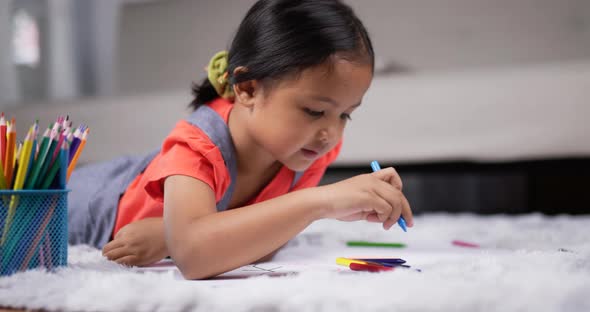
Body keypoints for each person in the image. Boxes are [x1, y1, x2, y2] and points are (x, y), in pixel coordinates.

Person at [68, 0, 413, 280]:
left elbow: (260, 245)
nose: (332, 135)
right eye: (313, 111)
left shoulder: (308, 150)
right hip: (96, 202)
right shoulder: (198, 144)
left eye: (345, 114)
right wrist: (319, 203)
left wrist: (171, 236)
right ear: (248, 88)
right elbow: (195, 258)